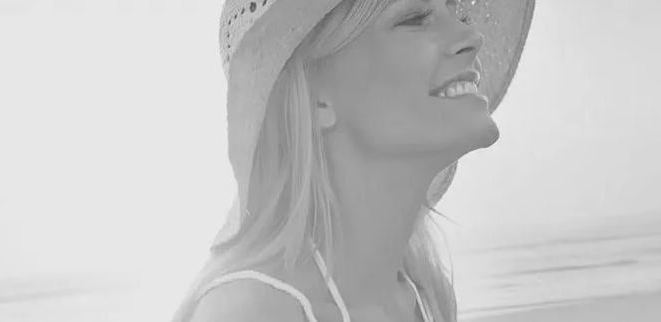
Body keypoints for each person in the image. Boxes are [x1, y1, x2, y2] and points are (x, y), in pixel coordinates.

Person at [171, 0, 535, 321]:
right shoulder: (253, 312)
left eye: (457, 11)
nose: (470, 37)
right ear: (316, 98)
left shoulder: (424, 297)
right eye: (414, 18)